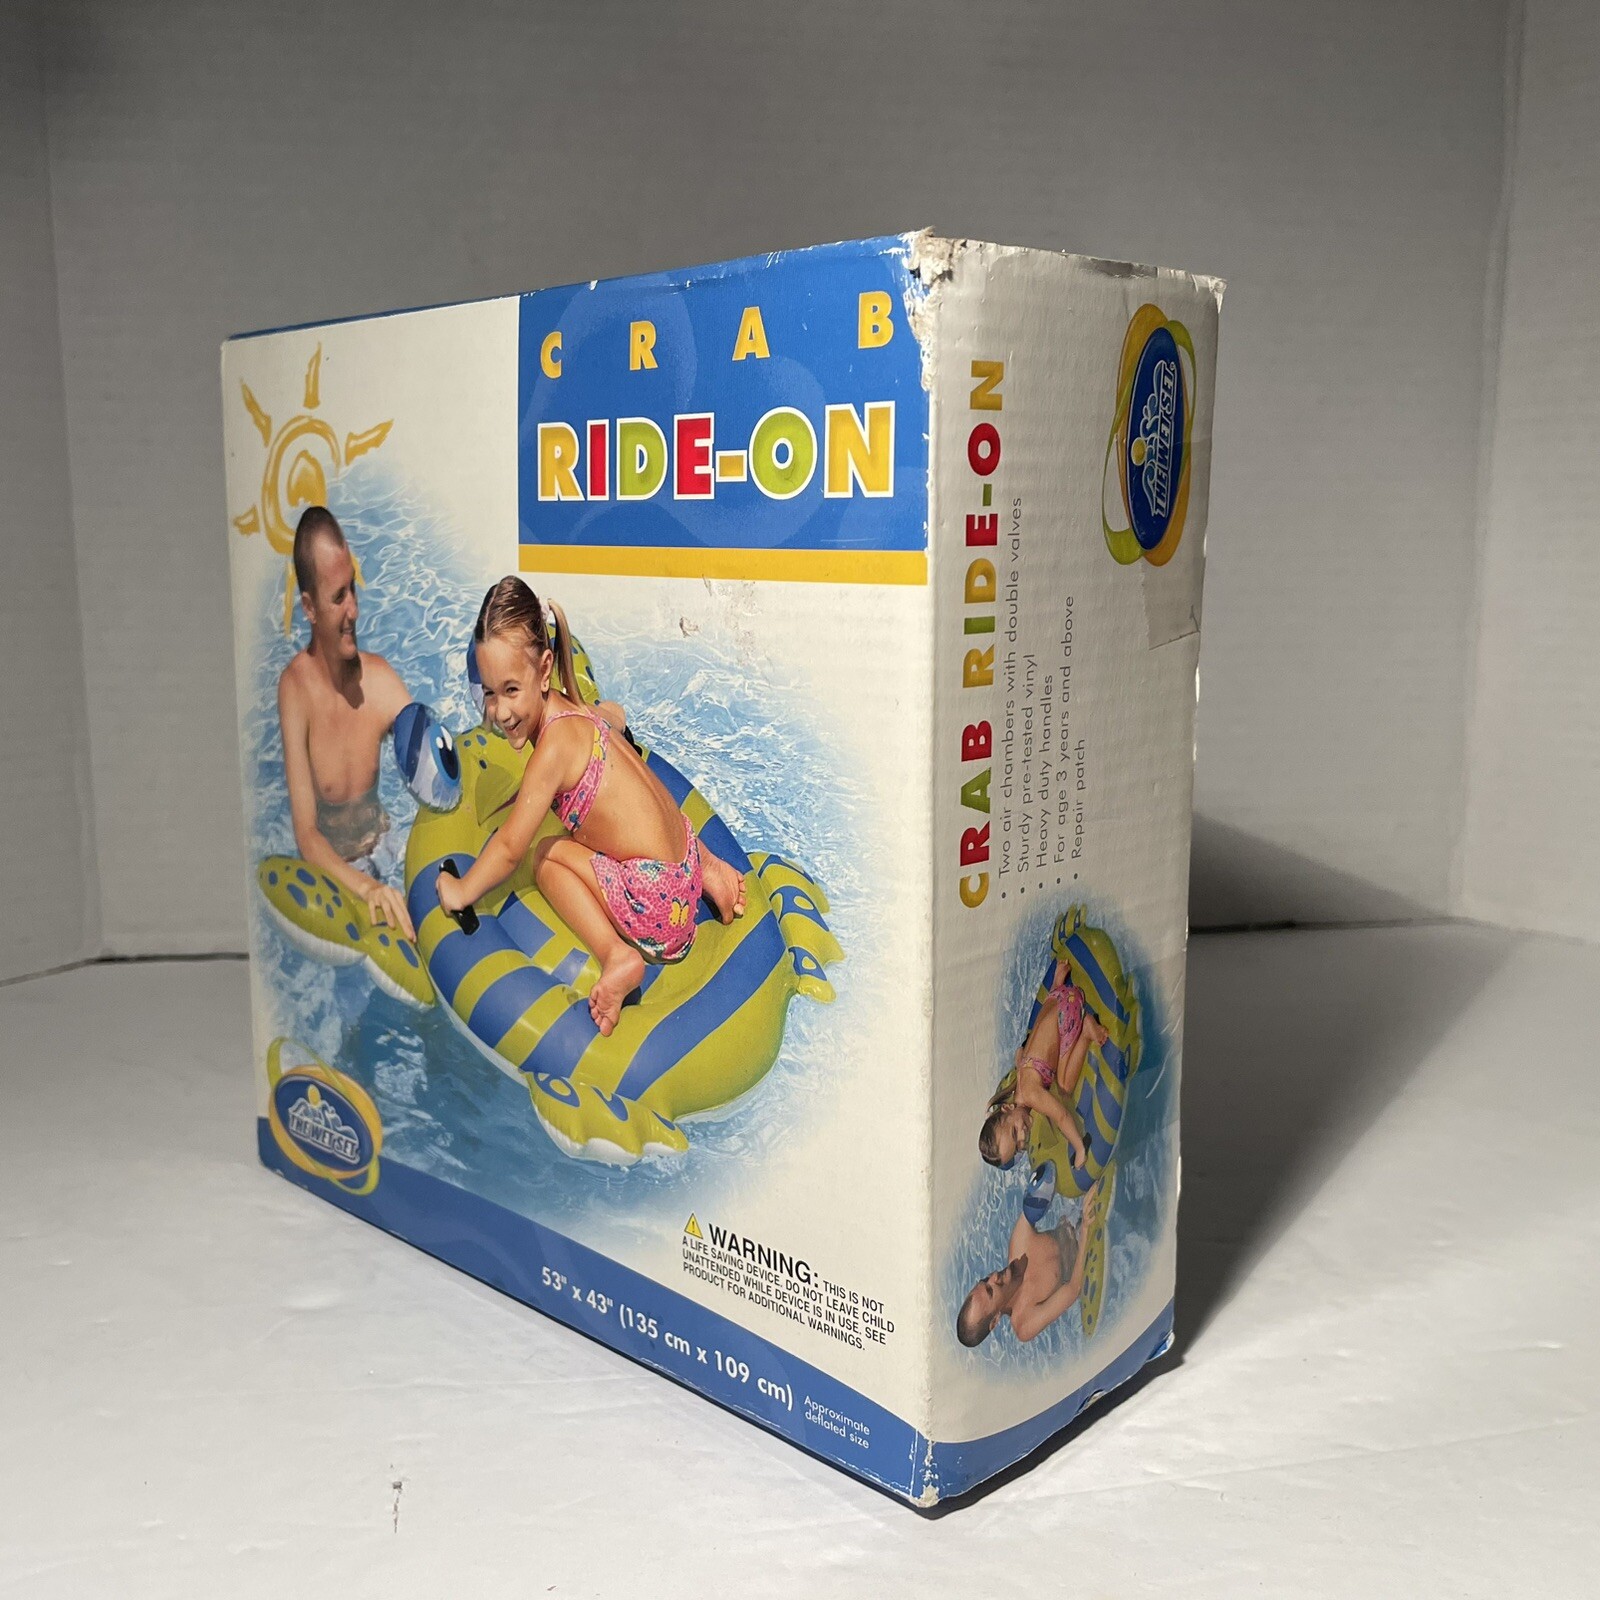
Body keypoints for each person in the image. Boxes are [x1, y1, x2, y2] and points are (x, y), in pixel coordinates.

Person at [435, 576, 747, 1035]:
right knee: (641, 808)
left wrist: (461, 892)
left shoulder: (551, 752)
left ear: (544, 669)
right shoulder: (576, 708)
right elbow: (615, 716)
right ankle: (711, 870)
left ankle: (616, 956)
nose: (499, 712)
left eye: (511, 690)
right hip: (687, 862)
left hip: (658, 911)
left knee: (546, 855)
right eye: (489, 692)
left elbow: (509, 847)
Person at [277, 506, 415, 941]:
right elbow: (306, 834)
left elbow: (434, 759)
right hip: (338, 875)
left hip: (388, 848)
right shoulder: (296, 691)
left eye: (352, 589)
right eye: (338, 597)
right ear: (309, 607)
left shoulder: (379, 680)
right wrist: (368, 889)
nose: (353, 609)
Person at [977, 958, 1108, 1169]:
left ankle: (1086, 1031)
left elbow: (1062, 1116)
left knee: (1064, 1086)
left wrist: (1080, 1148)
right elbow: (1021, 1053)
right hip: (1057, 998)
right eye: (1018, 1147)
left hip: (1069, 1008)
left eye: (1014, 1133)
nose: (1023, 1137)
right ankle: (1057, 983)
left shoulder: (1030, 1094)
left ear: (1007, 1108)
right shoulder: (1019, 1085)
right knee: (1040, 1042)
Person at [956, 1176, 1103, 1346]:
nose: (994, 1276)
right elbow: (1073, 1289)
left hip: (1077, 1218)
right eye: (991, 1290)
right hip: (1088, 1259)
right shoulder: (1025, 1323)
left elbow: (1041, 1193)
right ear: (995, 1320)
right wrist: (1085, 1230)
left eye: (985, 1280)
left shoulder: (1019, 1243)